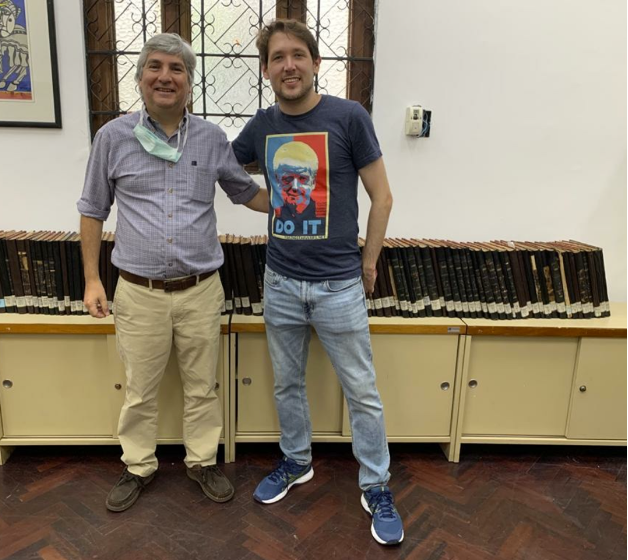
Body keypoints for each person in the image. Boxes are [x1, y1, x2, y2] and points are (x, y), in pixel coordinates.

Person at [77, 33, 268, 512]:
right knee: (139, 389)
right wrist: (92, 279)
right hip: (137, 292)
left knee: (203, 385)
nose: (166, 76)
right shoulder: (112, 138)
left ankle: (202, 461)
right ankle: (139, 465)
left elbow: (245, 192)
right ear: (140, 77)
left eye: (177, 69)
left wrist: (301, 204)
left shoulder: (211, 138)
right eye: (155, 67)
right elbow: (92, 210)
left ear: (189, 81)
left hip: (200, 290)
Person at [232, 20, 404, 545]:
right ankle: (296, 460)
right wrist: (262, 200)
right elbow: (226, 170)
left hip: (338, 286)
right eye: (278, 57)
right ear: (266, 70)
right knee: (287, 384)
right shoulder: (262, 127)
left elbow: (383, 197)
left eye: (298, 55)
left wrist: (369, 264)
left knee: (362, 392)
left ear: (315, 63)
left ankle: (376, 485)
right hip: (280, 282)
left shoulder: (348, 117)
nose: (289, 65)